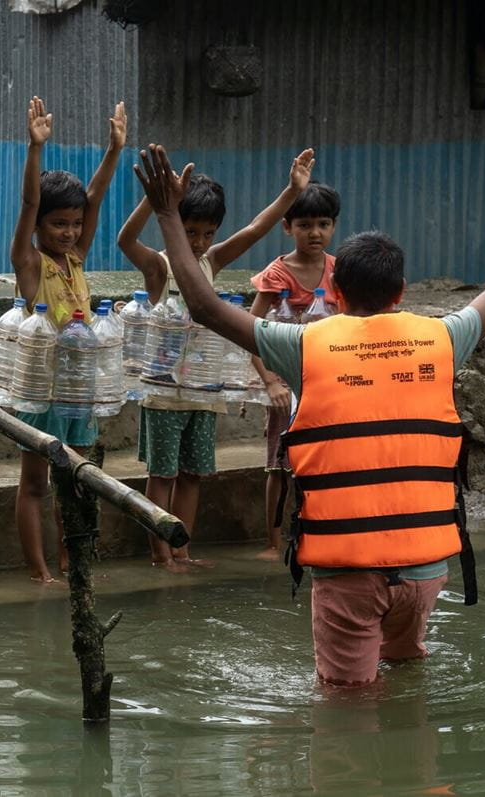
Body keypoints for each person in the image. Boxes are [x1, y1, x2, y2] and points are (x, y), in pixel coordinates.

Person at [132, 115, 485, 686]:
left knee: (345, 706)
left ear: (335, 293)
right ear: (402, 293)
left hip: (347, 570)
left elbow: (205, 306)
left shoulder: (307, 345)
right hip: (426, 568)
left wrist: (167, 214)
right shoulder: (443, 337)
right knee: (407, 678)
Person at [117, 155, 314, 570]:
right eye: (190, 232)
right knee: (163, 475)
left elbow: (256, 229)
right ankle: (160, 553)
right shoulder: (159, 266)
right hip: (165, 393)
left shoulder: (210, 262)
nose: (199, 243)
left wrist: (292, 192)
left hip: (204, 392)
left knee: (192, 475)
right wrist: (155, 201)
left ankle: (182, 549)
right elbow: (124, 240)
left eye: (207, 233)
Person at [10, 95, 127, 584]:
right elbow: (30, 201)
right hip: (41, 387)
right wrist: (35, 149)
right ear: (39, 228)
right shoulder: (30, 261)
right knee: (35, 482)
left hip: (78, 386)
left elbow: (95, 197)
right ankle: (39, 571)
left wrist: (114, 150)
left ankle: (69, 561)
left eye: (75, 224)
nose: (70, 231)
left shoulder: (76, 257)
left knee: (73, 482)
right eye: (59, 224)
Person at [248, 182, 342, 561]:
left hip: (327, 383)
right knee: (278, 466)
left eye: (323, 224)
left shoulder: (339, 271)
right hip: (287, 386)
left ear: (333, 227)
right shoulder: (277, 274)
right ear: (287, 227)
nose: (315, 233)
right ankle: (273, 542)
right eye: (305, 225)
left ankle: (322, 534)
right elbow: (251, 331)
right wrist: (270, 382)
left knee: (326, 463)